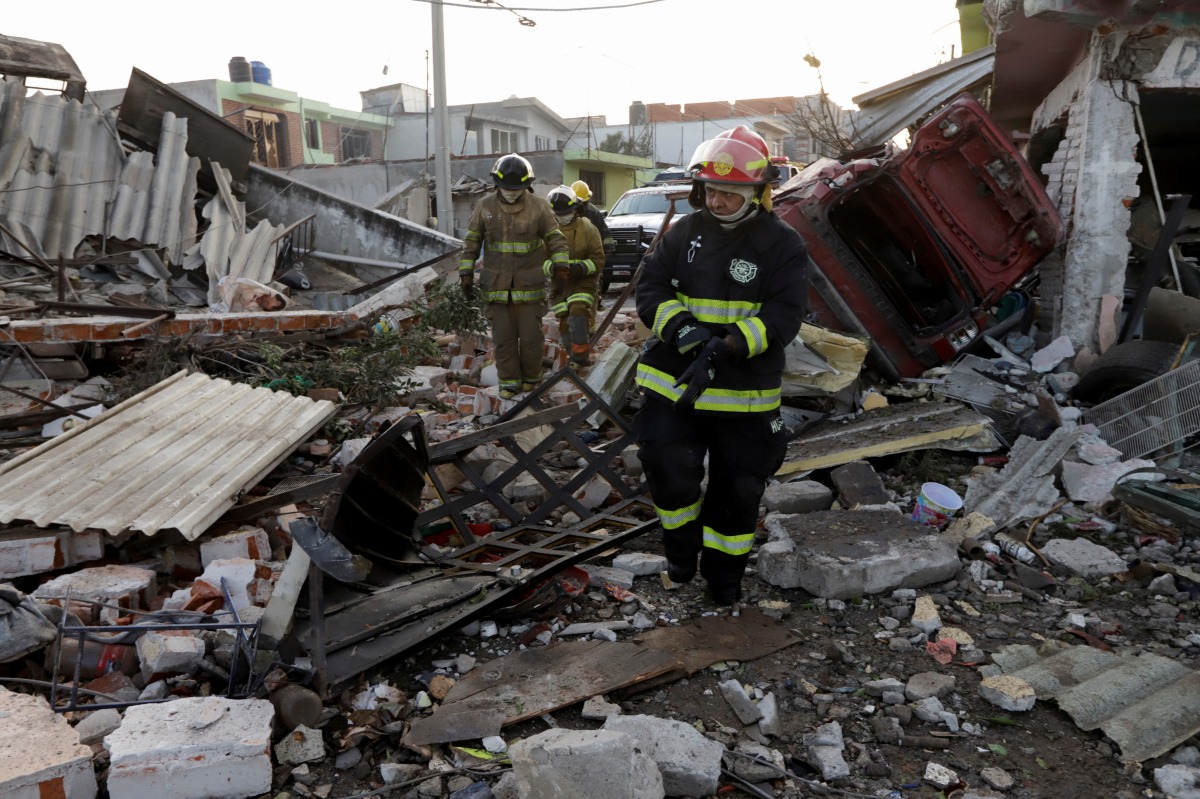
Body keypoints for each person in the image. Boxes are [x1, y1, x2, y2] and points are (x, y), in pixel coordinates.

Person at [633, 125, 808, 606]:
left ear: (757, 192)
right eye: (711, 190)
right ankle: (681, 551)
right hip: (675, 382)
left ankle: (724, 579)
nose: (718, 201)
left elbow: (783, 316)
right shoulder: (683, 233)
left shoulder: (782, 244)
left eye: (729, 193)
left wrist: (727, 347)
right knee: (667, 463)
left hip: (744, 390)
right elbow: (651, 290)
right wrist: (685, 332)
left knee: (738, 491)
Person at [460, 154, 570, 398]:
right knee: (503, 338)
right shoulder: (485, 206)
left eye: (516, 188)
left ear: (526, 185)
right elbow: (471, 242)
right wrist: (466, 273)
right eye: (507, 188)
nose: (511, 192)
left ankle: (532, 380)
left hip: (529, 286)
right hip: (496, 287)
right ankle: (509, 382)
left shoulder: (539, 206)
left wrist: (561, 269)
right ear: (497, 184)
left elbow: (556, 240)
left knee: (531, 339)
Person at [544, 185, 604, 369]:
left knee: (577, 312)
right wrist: (553, 269)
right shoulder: (547, 232)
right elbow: (541, 260)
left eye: (566, 212)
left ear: (575, 208)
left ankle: (580, 358)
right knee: (564, 325)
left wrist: (579, 268)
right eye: (558, 213)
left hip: (583, 281)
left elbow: (598, 259)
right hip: (560, 285)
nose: (563, 216)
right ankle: (573, 359)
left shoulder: (588, 228)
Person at [571, 179, 615, 257]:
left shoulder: (594, 212)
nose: (581, 205)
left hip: (590, 249)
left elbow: (604, 230)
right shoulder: (567, 211)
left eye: (583, 203)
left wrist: (609, 247)